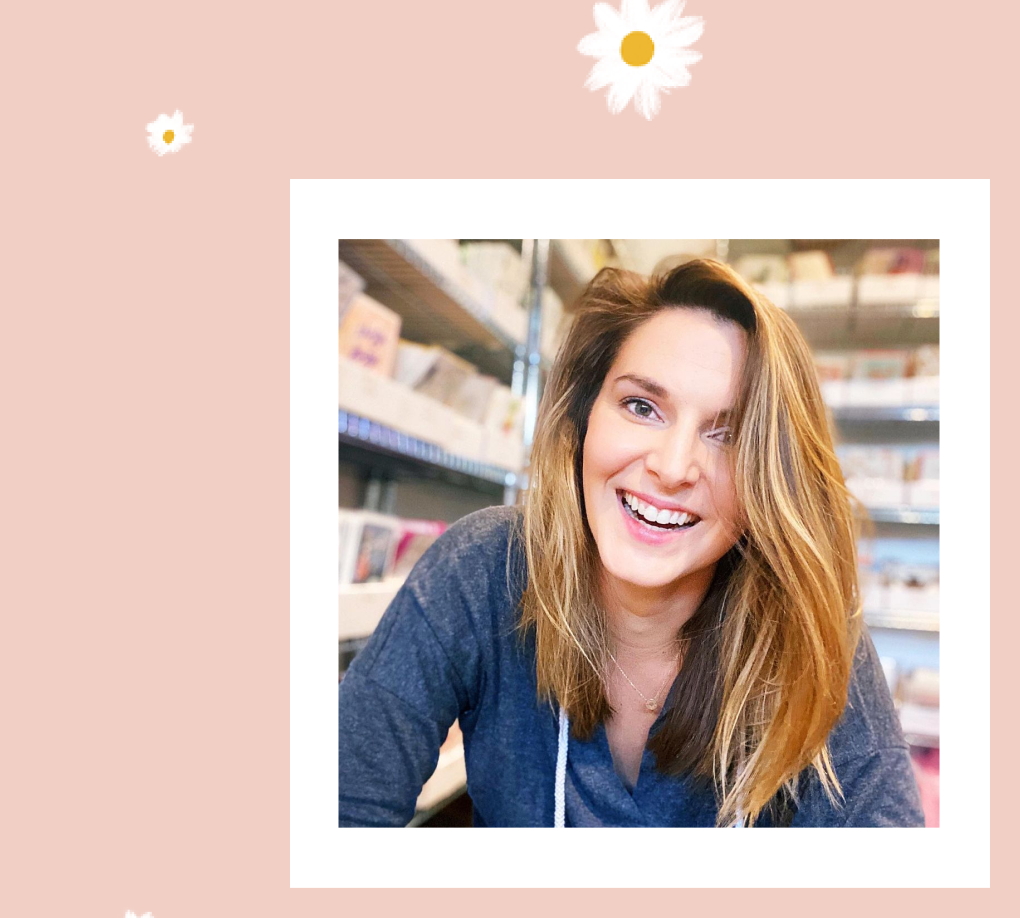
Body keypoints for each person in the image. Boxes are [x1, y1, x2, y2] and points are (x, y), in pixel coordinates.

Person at [339, 257, 925, 828]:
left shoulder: (810, 636)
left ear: (773, 481)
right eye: (642, 406)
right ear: (581, 421)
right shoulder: (485, 571)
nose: (673, 468)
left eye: (729, 435)